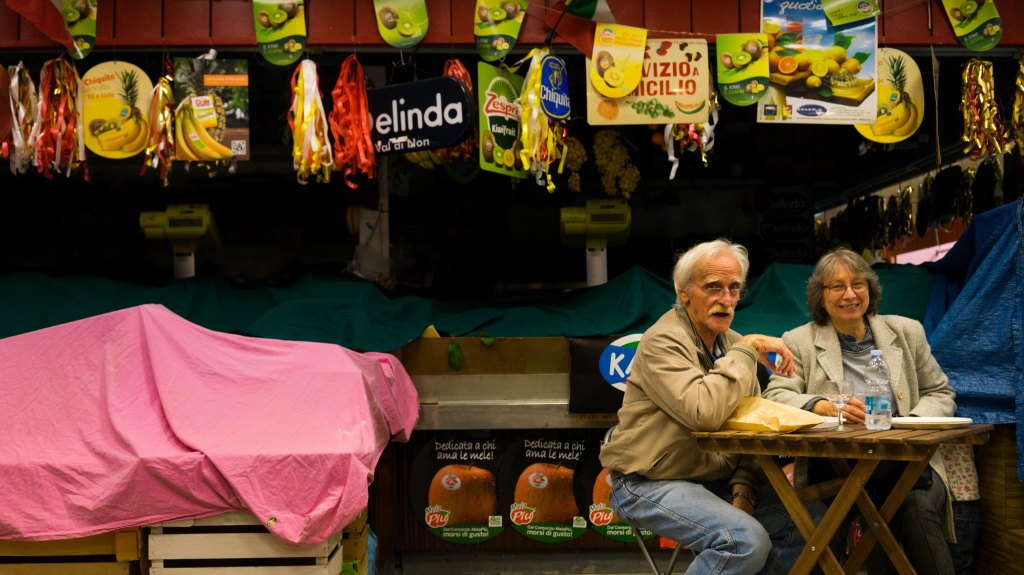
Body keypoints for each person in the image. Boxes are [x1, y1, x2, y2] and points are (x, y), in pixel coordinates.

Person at [599, 239, 806, 575]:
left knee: (808, 521)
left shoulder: (734, 345)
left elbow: (751, 429)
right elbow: (703, 413)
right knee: (744, 541)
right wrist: (748, 348)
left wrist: (744, 491)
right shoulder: (663, 340)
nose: (726, 300)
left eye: (734, 288)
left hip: (716, 482)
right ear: (684, 292)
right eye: (713, 287)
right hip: (647, 482)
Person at [763, 247, 970, 575]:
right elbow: (775, 395)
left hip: (906, 464)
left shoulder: (906, 332)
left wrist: (908, 424)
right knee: (825, 522)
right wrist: (821, 405)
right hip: (833, 467)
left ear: (870, 290)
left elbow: (939, 391)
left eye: (858, 284)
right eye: (837, 287)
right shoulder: (798, 341)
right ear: (821, 296)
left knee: (916, 505)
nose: (849, 294)